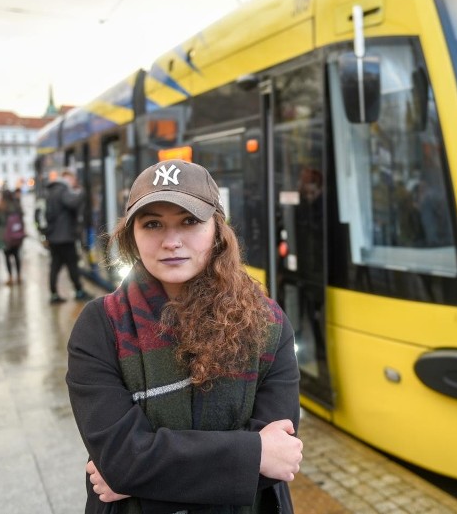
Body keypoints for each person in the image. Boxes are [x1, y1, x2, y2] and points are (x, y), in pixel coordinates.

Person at [66, 159, 302, 513]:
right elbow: (120, 459)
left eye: (189, 221)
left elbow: (280, 458)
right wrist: (252, 455)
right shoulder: (100, 326)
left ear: (217, 231)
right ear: (132, 236)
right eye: (153, 224)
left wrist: (140, 480)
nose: (171, 241)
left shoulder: (267, 321)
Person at [43, 169, 91, 303]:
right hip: (65, 237)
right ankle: (79, 291)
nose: (74, 183)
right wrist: (81, 192)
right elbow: (73, 203)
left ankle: (53, 294)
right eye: (72, 179)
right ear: (66, 179)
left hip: (53, 237)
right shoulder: (62, 190)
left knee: (55, 266)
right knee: (72, 265)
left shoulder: (51, 191)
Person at [0, 189, 25, 285]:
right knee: (17, 255)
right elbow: (22, 217)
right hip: (16, 234)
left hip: (4, 235)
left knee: (7, 256)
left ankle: (10, 277)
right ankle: (19, 276)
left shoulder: (0, 207)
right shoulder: (16, 205)